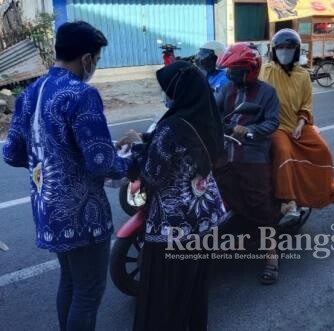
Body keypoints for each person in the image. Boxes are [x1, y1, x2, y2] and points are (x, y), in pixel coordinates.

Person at [2, 21, 133, 331]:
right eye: (97, 60)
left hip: (47, 209)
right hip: (82, 214)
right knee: (88, 292)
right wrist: (130, 165)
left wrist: (48, 161)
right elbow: (101, 162)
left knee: (70, 282)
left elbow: (11, 153)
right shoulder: (81, 94)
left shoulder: (30, 92)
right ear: (86, 59)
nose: (95, 67)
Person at [133, 60, 227, 331]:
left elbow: (150, 175)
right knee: (193, 289)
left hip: (172, 226)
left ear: (178, 92)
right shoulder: (207, 118)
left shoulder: (171, 128)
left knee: (166, 296)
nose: (166, 96)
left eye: (167, 91)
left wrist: (136, 150)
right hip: (205, 218)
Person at [259, 29, 334, 217]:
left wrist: (301, 125)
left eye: (289, 47)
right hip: (274, 125)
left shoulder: (302, 75)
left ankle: (329, 192)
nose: (285, 51)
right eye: (281, 47)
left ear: (296, 50)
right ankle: (288, 200)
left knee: (322, 149)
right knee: (284, 151)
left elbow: (306, 105)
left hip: (297, 124)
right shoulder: (265, 71)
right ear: (273, 50)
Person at [215, 42, 284, 285]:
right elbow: (213, 111)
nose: (230, 74)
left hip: (253, 155)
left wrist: (251, 130)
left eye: (235, 70)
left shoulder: (267, 93)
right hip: (225, 153)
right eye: (229, 70)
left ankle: (271, 259)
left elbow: (273, 122)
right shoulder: (227, 89)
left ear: (250, 69)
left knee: (260, 205)